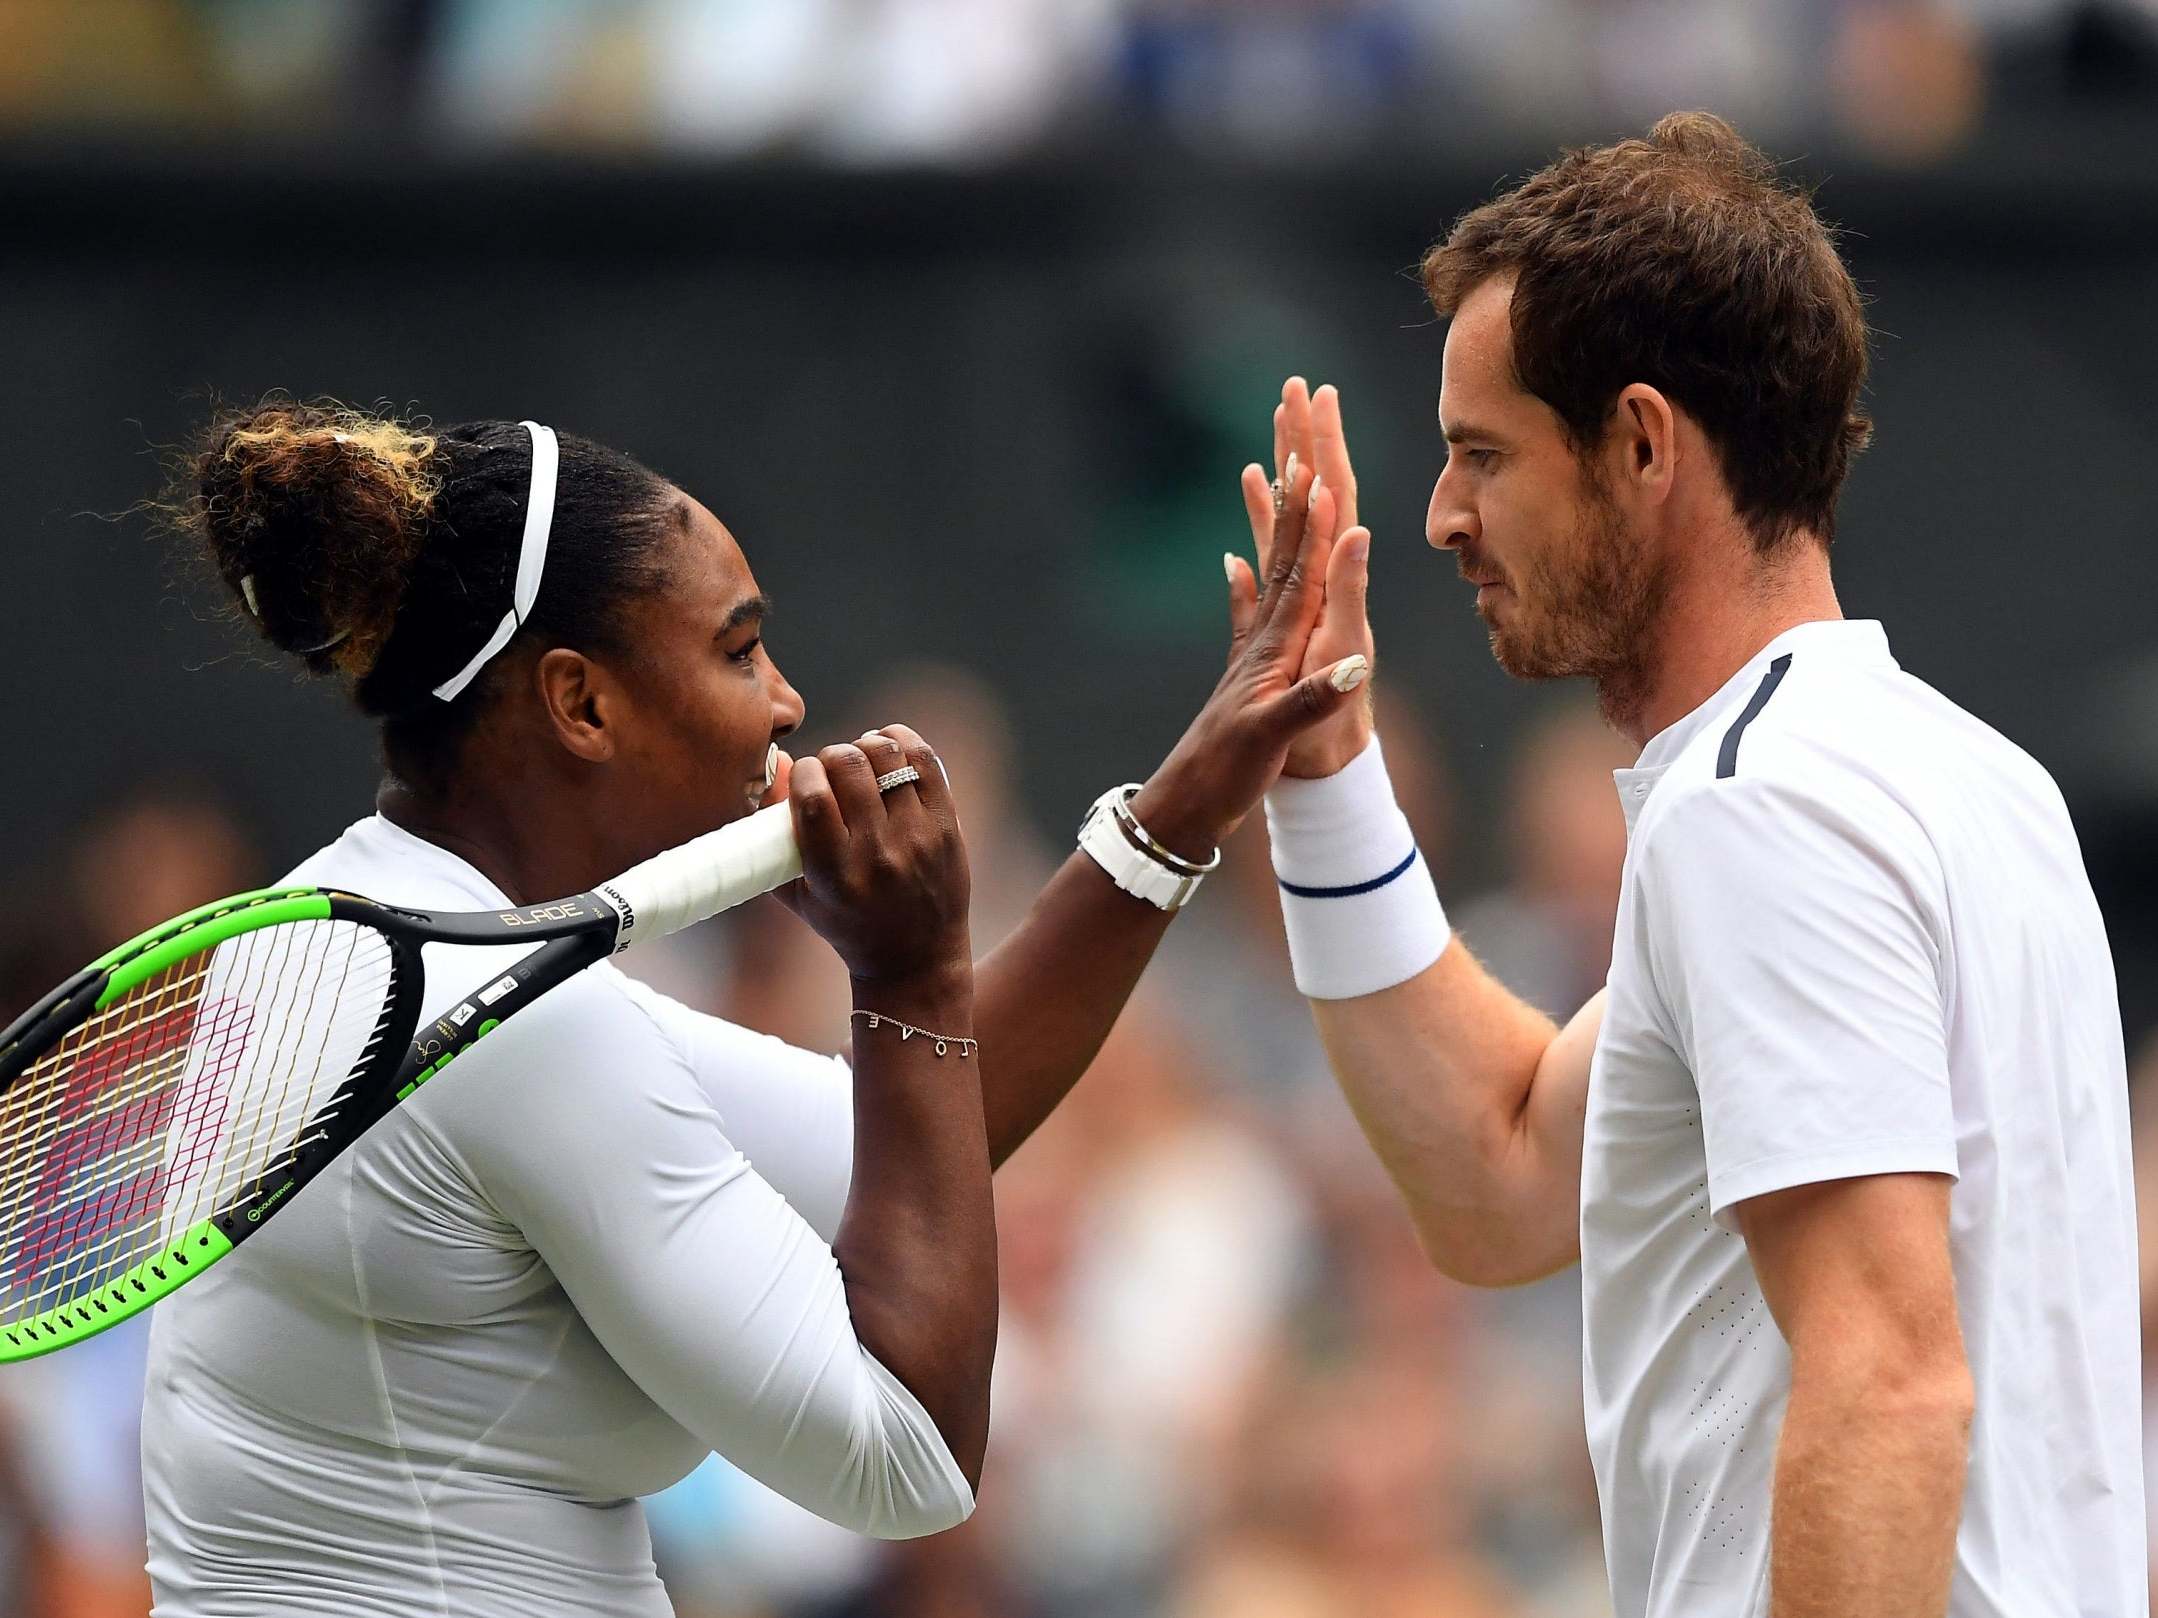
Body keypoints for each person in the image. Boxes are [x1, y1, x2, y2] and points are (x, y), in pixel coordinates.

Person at [144, 400, 1370, 1617]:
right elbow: (910, 1462)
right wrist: (909, 975)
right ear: (581, 704)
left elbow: (917, 1138)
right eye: (738, 651)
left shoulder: (336, 938)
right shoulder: (510, 1029)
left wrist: (1185, 802)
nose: (786, 704)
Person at [1233, 114, 2144, 1616]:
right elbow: (1503, 1177)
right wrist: (1327, 769)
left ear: (1642, 444)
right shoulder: (1965, 782)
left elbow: (1888, 1381)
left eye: (1481, 454)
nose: (1442, 516)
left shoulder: (1756, 810)